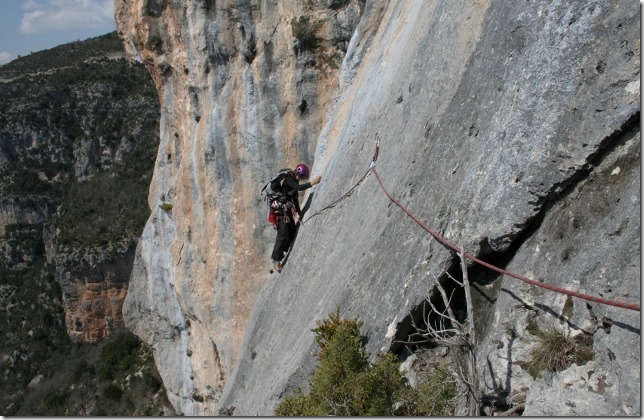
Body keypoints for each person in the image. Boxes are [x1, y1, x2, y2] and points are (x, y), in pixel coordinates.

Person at [271, 163, 321, 272]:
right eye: (301, 177)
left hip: (287, 210)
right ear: (298, 174)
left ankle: (283, 253)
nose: (300, 179)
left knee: (292, 231)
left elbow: (295, 198)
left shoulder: (294, 181)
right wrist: (311, 183)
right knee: (283, 234)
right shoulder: (289, 179)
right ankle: (275, 259)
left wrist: (299, 212)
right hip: (281, 211)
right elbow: (298, 188)